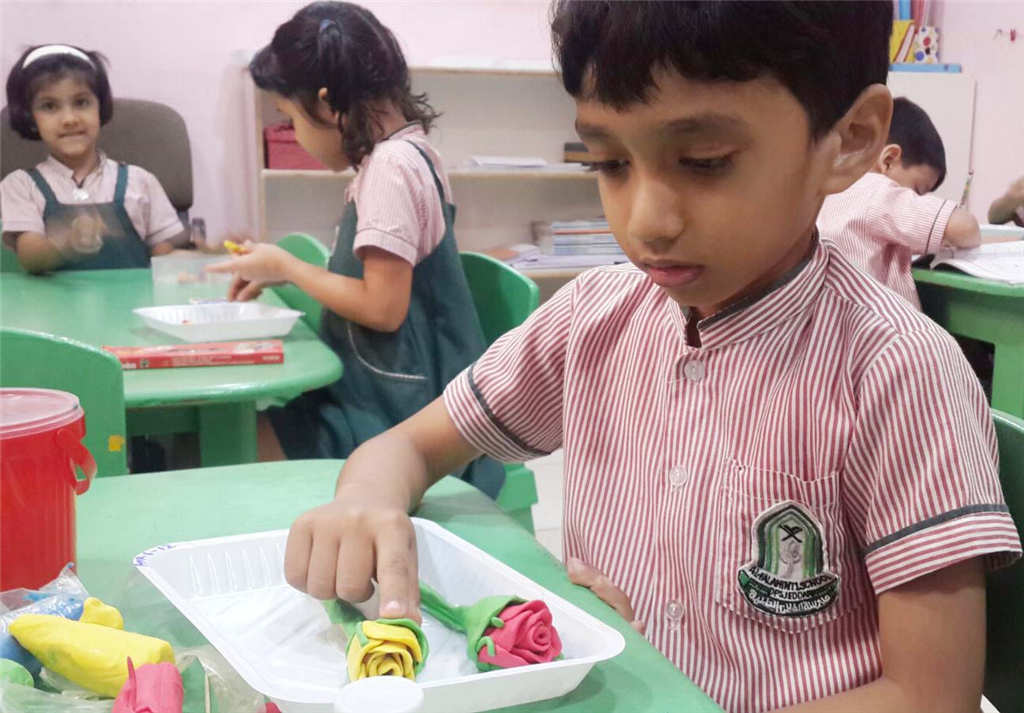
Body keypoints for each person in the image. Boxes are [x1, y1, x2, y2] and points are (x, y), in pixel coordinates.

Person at [282, 2, 1020, 710]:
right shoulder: (592, 318)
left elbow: (931, 696)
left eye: (704, 161)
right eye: (608, 162)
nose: (646, 221)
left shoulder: (898, 373)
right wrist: (365, 498)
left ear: (852, 139)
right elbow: (410, 446)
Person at [208, 2, 503, 497]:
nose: (295, 137)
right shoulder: (412, 153)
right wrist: (280, 269)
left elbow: (383, 309)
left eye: (291, 119)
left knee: (227, 439)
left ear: (327, 105)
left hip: (396, 419)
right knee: (244, 427)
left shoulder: (390, 168)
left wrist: (289, 266)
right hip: (393, 397)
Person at [1, 44, 185, 273]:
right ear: (30, 117)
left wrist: (206, 257)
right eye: (49, 106)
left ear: (100, 107)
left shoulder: (141, 181)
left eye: (81, 102)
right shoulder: (20, 185)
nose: (69, 119)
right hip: (54, 299)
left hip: (131, 298)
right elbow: (30, 257)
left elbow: (163, 257)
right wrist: (66, 241)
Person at [818, 97, 980, 308]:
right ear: (889, 160)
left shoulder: (829, 190)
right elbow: (966, 228)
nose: (915, 199)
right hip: (873, 324)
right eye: (917, 190)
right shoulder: (877, 191)